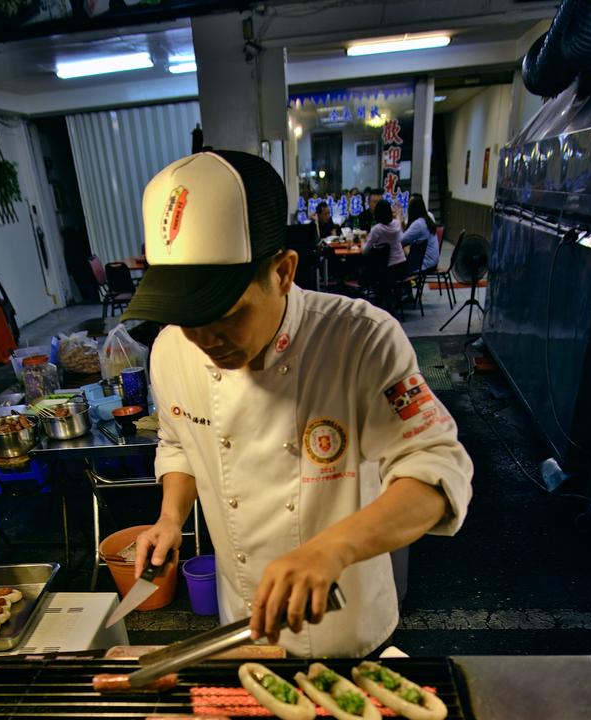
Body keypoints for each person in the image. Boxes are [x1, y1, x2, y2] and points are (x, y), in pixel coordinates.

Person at [123, 149, 473, 657]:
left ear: (284, 272)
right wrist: (171, 518)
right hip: (242, 623)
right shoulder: (172, 350)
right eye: (185, 316)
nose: (203, 338)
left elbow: (438, 470)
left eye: (224, 314)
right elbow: (179, 441)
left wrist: (333, 547)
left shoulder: (362, 340)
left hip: (345, 624)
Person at [361, 198, 408, 282]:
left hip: (386, 270)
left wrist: (362, 240)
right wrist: (398, 213)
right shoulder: (397, 224)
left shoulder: (377, 229)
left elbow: (365, 252)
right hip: (402, 267)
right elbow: (398, 219)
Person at [401, 194, 440, 271]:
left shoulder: (419, 223)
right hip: (432, 261)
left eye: (409, 205)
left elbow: (401, 241)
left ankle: (409, 282)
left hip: (425, 263)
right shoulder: (426, 219)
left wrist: (399, 220)